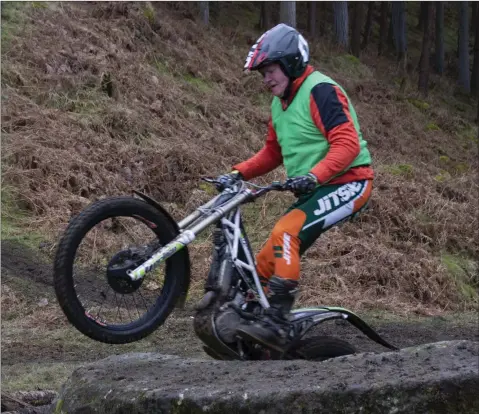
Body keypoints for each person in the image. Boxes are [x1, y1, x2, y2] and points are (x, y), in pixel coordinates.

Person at [216, 24, 374, 352]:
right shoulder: (279, 103)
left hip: (350, 182)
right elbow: (273, 152)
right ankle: (251, 328)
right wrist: (237, 172)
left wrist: (314, 176)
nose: (266, 79)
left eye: (270, 70)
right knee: (265, 261)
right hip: (317, 189)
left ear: (290, 64)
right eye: (263, 73)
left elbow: (345, 144)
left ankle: (275, 321)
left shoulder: (321, 90)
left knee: (286, 233)